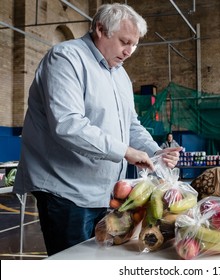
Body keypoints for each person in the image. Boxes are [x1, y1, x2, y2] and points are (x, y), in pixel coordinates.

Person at [13, 3, 181, 256]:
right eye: (125, 42)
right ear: (101, 29)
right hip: (66, 190)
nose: (129, 51)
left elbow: (131, 124)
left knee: (100, 260)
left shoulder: (120, 75)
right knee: (74, 264)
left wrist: (156, 153)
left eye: (134, 45)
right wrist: (126, 151)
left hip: (105, 192)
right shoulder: (66, 58)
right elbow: (68, 124)